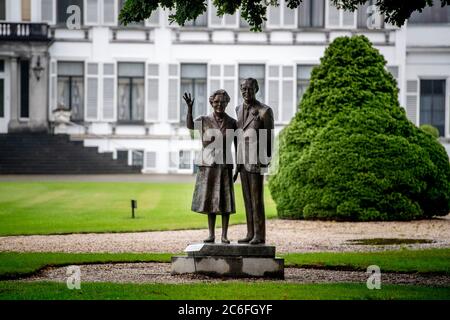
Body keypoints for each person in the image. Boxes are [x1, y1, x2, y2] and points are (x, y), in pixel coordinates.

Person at [184, 90, 238, 244]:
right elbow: (190, 126)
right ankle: (211, 234)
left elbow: (237, 146)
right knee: (211, 200)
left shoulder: (233, 123)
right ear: (211, 103)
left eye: (222, 102)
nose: (219, 105)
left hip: (225, 166)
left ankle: (224, 235)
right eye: (216, 102)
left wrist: (237, 168)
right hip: (208, 166)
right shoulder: (204, 120)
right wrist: (189, 109)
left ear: (227, 103)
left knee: (225, 201)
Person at [233, 78, 274, 245]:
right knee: (247, 199)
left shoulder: (265, 111)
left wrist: (265, 161)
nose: (246, 92)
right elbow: (238, 137)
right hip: (243, 162)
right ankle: (250, 232)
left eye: (249, 89)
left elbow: (269, 138)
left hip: (257, 161)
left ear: (256, 89)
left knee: (257, 200)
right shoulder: (238, 109)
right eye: (243, 89)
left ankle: (260, 234)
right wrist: (237, 163)